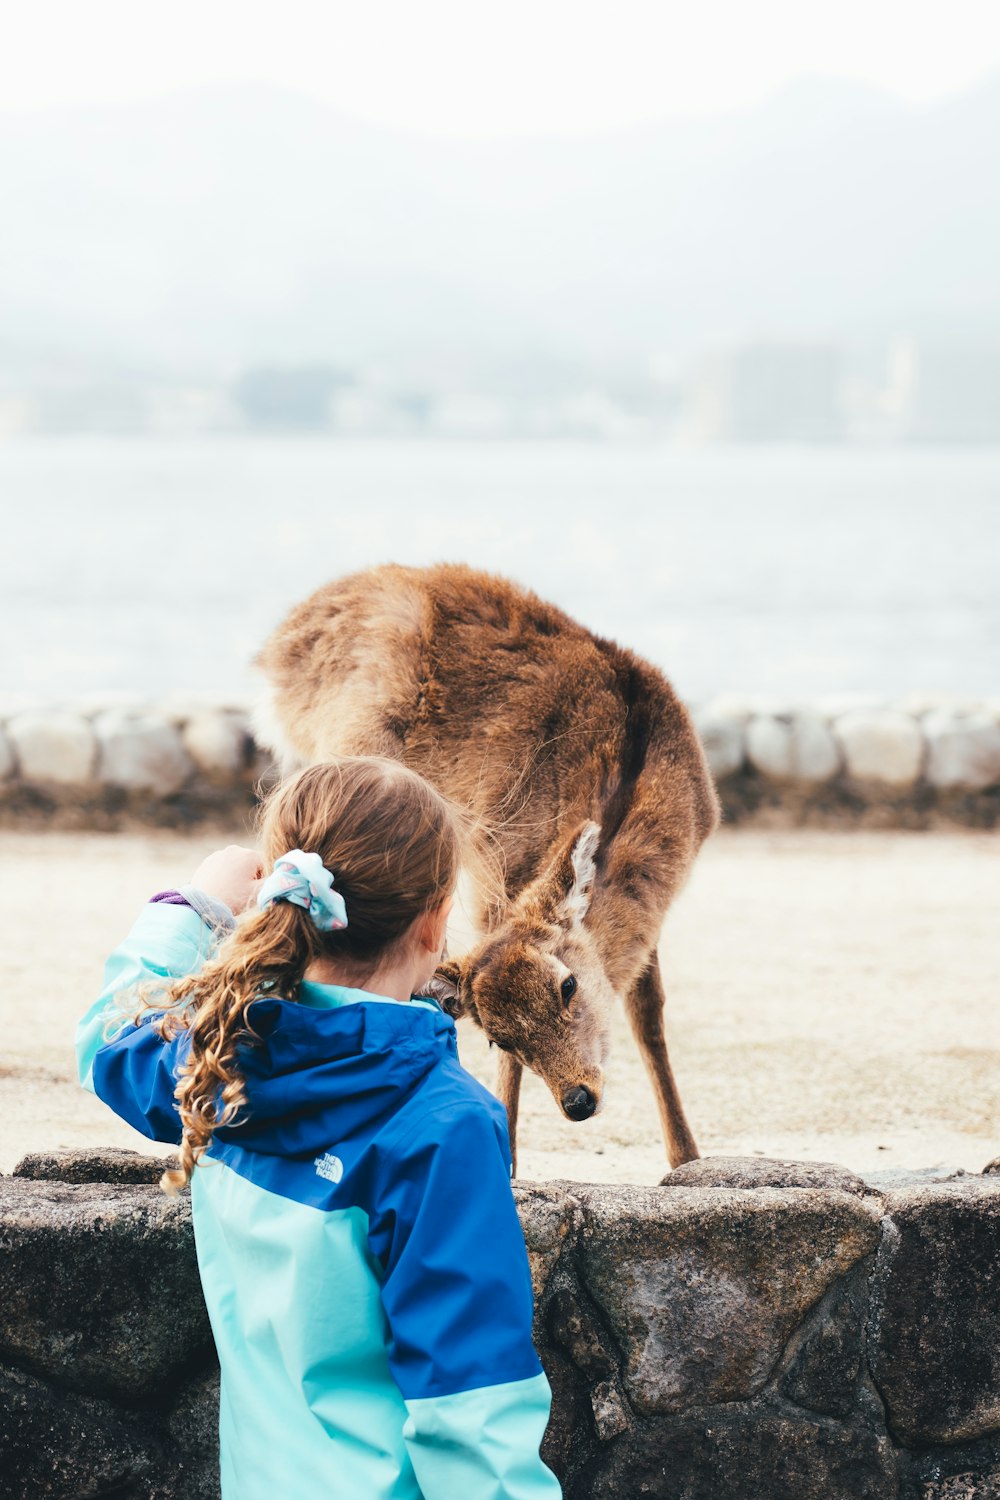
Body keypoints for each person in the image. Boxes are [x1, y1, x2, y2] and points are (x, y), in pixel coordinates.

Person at [77, 756, 562, 1500]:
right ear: (434, 922)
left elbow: (109, 1040)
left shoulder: (218, 1064)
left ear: (280, 896)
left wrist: (198, 905)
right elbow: (470, 1413)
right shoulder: (440, 1125)